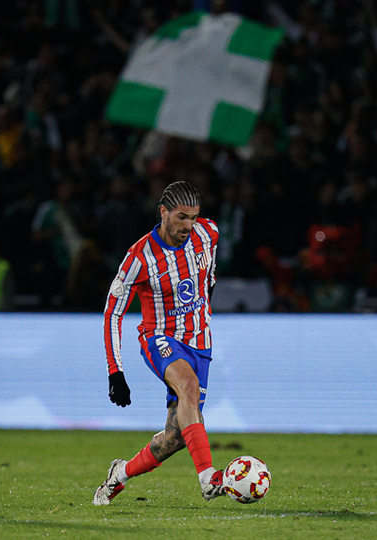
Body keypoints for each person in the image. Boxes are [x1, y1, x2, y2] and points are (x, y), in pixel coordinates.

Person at [93, 181, 224, 505]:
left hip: (201, 343)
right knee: (189, 387)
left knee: (176, 438)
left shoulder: (209, 233)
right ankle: (208, 478)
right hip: (160, 338)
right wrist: (115, 372)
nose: (188, 225)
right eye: (181, 217)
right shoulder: (138, 258)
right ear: (163, 212)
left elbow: (208, 279)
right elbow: (113, 313)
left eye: (193, 217)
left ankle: (119, 474)